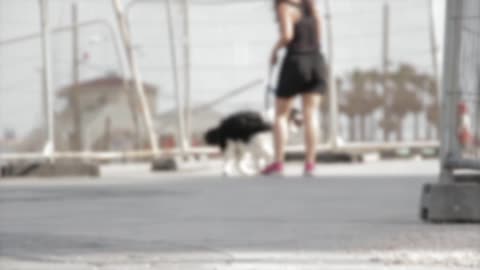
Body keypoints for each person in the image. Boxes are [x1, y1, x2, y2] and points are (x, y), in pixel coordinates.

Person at [262, 0, 327, 176]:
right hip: (316, 61)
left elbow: (287, 35)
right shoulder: (312, 8)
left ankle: (278, 163)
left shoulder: (285, 6)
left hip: (296, 61)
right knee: (310, 115)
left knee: (281, 115)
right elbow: (318, 38)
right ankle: (310, 164)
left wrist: (274, 51)